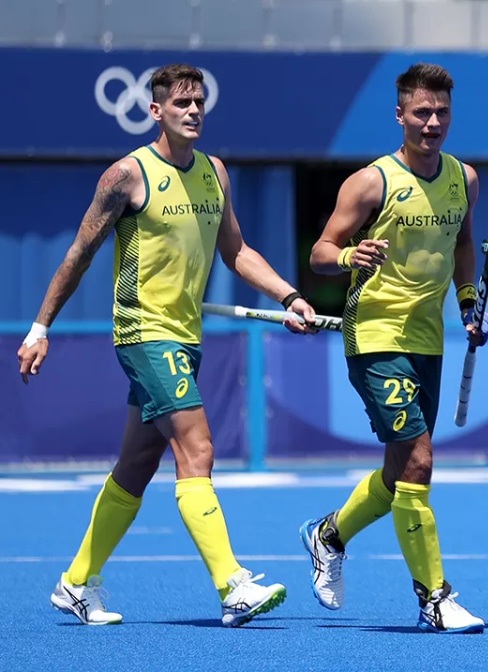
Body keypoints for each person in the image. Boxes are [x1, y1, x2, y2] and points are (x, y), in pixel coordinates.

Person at [16, 63, 316, 627]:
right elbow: (78, 253)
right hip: (143, 333)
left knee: (136, 463)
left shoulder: (215, 173)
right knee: (196, 450)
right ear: (155, 110)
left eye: (199, 101)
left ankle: (76, 582)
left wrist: (289, 296)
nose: (194, 110)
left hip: (184, 336)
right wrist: (40, 327)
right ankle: (232, 584)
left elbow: (237, 252)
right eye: (181, 103)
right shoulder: (127, 176)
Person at [300, 62, 488, 634]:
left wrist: (465, 300)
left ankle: (327, 534)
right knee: (420, 461)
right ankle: (434, 597)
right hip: (374, 335)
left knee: (397, 471)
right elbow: (319, 251)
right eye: (422, 113)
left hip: (428, 339)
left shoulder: (465, 179)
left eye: (442, 114)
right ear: (400, 115)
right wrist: (347, 257)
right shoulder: (370, 182)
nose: (432, 123)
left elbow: (460, 244)